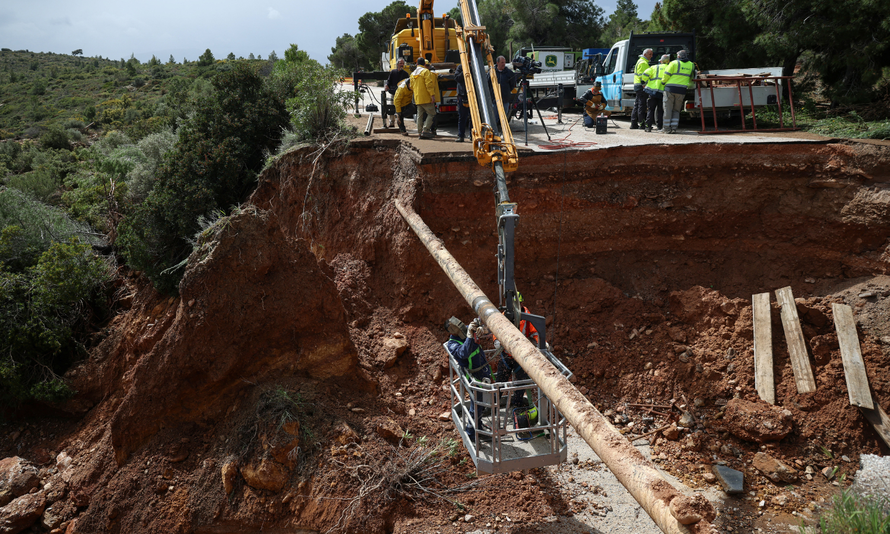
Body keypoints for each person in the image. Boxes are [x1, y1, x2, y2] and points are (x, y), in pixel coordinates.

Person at [444, 317, 493, 443]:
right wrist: (470, 336)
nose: (462, 327)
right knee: (476, 404)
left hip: (481, 369)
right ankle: (471, 433)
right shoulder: (452, 344)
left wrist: (482, 328)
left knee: (480, 403)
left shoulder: (466, 329)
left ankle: (479, 427)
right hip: (472, 376)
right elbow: (463, 353)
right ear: (452, 331)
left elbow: (486, 330)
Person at [662, 49, 696, 134]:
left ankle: (666, 128)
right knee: (676, 110)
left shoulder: (673, 63)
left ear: (678, 56)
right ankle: (674, 128)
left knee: (667, 109)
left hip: (670, 89)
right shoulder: (691, 65)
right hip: (682, 90)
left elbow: (666, 74)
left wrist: (663, 82)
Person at [642, 54, 670, 132]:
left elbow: (644, 75)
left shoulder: (654, 67)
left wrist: (645, 81)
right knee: (660, 110)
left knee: (650, 109)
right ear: (668, 61)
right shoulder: (669, 68)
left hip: (652, 91)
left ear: (660, 61)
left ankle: (648, 127)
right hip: (663, 92)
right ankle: (659, 127)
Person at [411, 58, 438, 139]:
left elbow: (411, 86)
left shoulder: (413, 74)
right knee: (432, 113)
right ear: (424, 64)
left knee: (419, 115)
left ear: (417, 64)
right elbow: (429, 84)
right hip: (426, 98)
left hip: (418, 98)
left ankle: (419, 132)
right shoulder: (425, 71)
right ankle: (425, 130)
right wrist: (432, 95)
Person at [383, 58, 411, 128]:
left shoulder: (405, 74)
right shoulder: (393, 72)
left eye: (403, 63)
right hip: (394, 93)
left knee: (401, 109)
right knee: (392, 107)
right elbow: (389, 81)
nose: (402, 65)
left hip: (402, 95)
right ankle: (391, 122)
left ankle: (400, 123)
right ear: (397, 64)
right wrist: (386, 85)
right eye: (400, 63)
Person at [630, 48, 654, 130]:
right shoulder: (643, 63)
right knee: (642, 106)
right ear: (645, 54)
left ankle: (633, 123)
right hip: (641, 86)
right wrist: (644, 84)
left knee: (637, 105)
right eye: (650, 54)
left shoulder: (640, 61)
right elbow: (642, 75)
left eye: (651, 54)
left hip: (637, 85)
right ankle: (642, 124)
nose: (651, 56)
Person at [495, 56, 516, 126]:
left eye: (504, 62)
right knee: (495, 117)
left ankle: (503, 130)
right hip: (494, 100)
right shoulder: (492, 72)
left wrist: (507, 91)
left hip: (505, 99)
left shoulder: (509, 73)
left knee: (504, 117)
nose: (503, 64)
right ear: (497, 63)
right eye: (502, 62)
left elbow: (513, 84)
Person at [454, 63, 471, 142]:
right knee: (462, 117)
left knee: (473, 118)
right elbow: (457, 78)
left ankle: (472, 135)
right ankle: (461, 135)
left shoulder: (474, 66)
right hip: (462, 96)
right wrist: (464, 70)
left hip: (472, 96)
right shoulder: (460, 67)